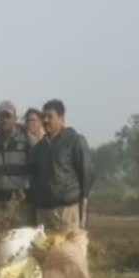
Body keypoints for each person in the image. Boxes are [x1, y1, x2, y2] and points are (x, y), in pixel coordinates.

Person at [32, 99, 93, 233]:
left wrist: (83, 201)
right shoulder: (39, 148)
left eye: (50, 116)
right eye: (43, 117)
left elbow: (87, 173)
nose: (46, 120)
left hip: (67, 210)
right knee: (44, 253)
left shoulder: (74, 141)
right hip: (43, 211)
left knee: (68, 252)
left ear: (61, 118)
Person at [0, 101, 34, 234]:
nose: (5, 120)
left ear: (15, 119)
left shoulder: (26, 141)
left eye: (8, 116)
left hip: (20, 204)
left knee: (21, 247)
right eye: (2, 116)